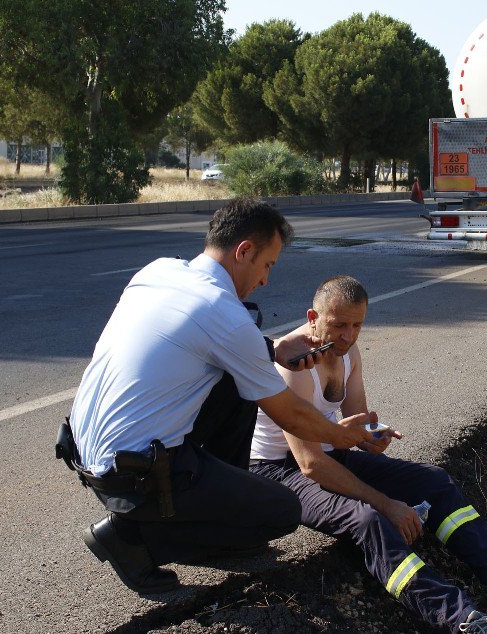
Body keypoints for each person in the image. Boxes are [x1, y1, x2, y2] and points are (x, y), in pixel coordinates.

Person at [61, 198, 374, 594]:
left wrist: (273, 349)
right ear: (244, 251)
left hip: (88, 453)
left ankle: (217, 526)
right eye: (267, 266)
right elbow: (292, 416)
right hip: (137, 475)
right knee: (281, 512)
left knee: (240, 383)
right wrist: (346, 437)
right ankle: (129, 539)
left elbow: (199, 337)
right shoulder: (225, 312)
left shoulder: (159, 271)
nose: (265, 280)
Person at [249, 276, 487, 634]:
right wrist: (386, 503)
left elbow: (358, 424)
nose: (348, 335)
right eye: (338, 325)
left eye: (356, 325)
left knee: (434, 481)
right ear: (313, 317)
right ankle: (459, 619)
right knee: (369, 520)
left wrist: (373, 437)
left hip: (327, 453)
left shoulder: (347, 353)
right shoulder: (294, 366)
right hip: (279, 471)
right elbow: (309, 464)